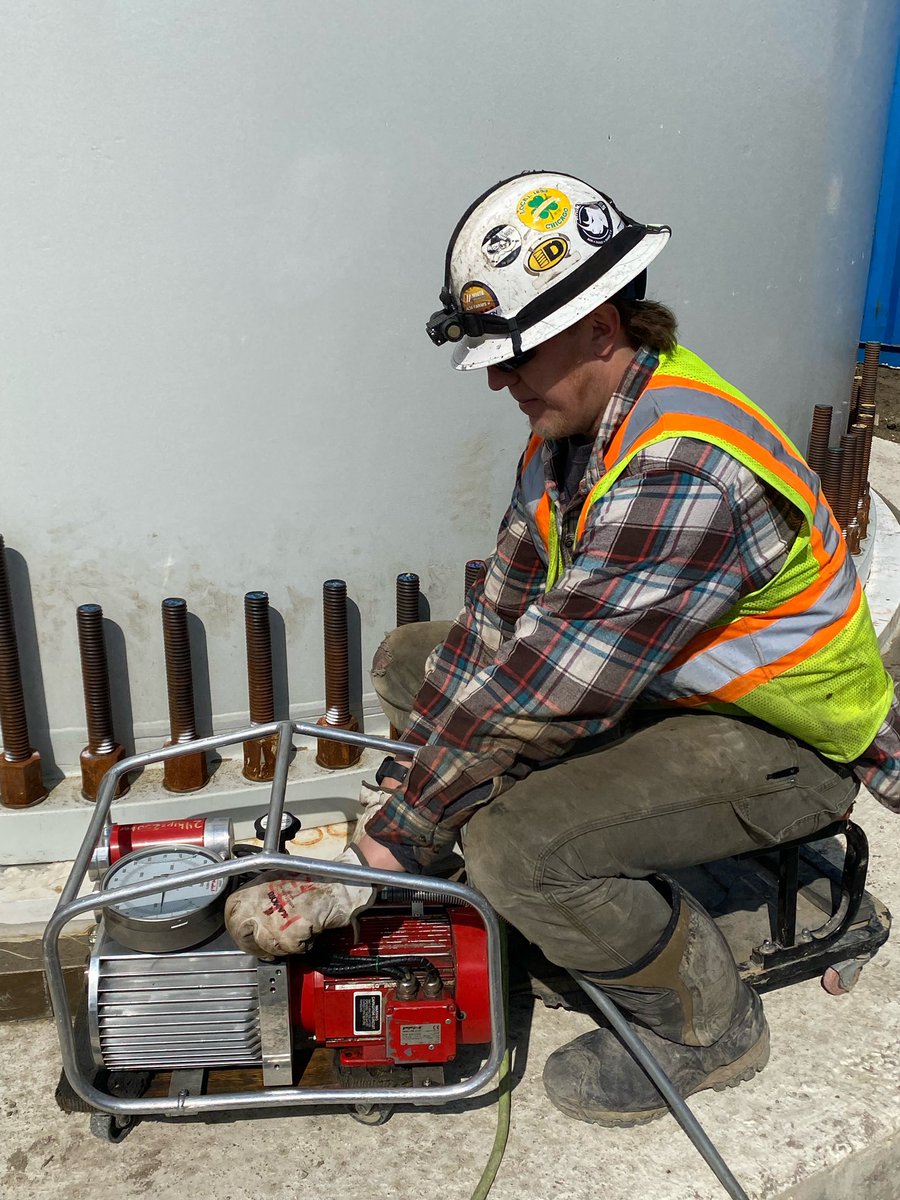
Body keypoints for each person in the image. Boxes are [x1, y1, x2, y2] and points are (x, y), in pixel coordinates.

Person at [226, 170, 900, 1126]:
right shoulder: (573, 433)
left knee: (518, 846)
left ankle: (709, 1025)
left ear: (601, 327)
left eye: (517, 356)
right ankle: (530, 880)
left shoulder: (681, 466)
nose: (497, 381)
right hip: (671, 689)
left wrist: (386, 845)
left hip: (787, 740)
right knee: (412, 661)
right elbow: (494, 629)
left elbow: (544, 693)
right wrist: (400, 815)